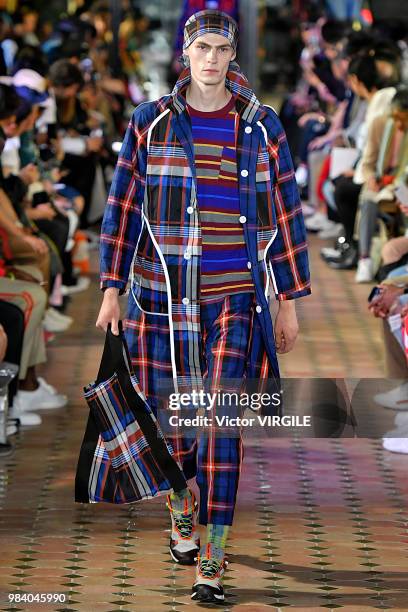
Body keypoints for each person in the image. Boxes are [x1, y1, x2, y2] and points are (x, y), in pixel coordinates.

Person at [96, 9, 311, 604]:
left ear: (232, 55)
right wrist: (110, 289)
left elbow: (287, 209)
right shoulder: (150, 123)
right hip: (159, 301)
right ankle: (180, 500)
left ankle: (211, 562)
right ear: (185, 55)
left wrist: (289, 299)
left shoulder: (262, 126)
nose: (212, 59)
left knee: (219, 429)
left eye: (221, 48)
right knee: (170, 427)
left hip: (235, 300)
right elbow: (120, 208)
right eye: (203, 48)